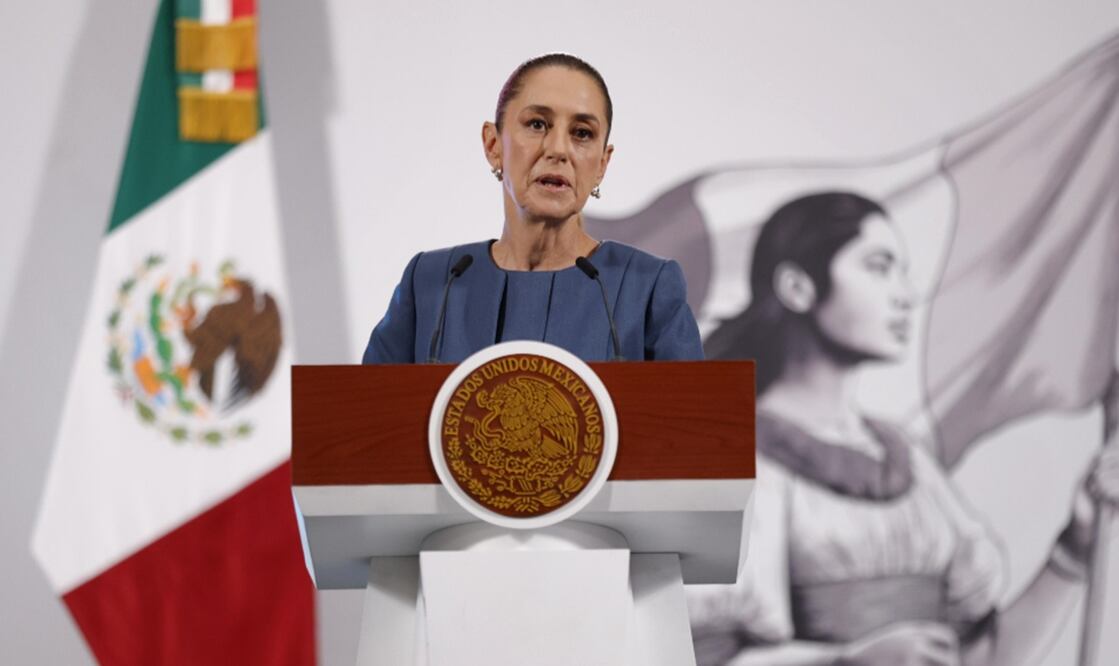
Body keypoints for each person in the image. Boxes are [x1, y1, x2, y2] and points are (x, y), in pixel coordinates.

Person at [687, 192, 1119, 666]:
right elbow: (701, 656)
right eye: (878, 266)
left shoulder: (907, 462)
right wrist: (845, 661)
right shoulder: (730, 457)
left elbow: (985, 657)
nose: (905, 294)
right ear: (797, 287)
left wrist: (1075, 549)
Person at [362, 53, 702, 364]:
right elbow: (364, 416)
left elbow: (693, 424)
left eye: (582, 133)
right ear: (493, 145)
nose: (558, 149)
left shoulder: (646, 287)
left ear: (601, 163)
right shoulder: (432, 283)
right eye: (537, 124)